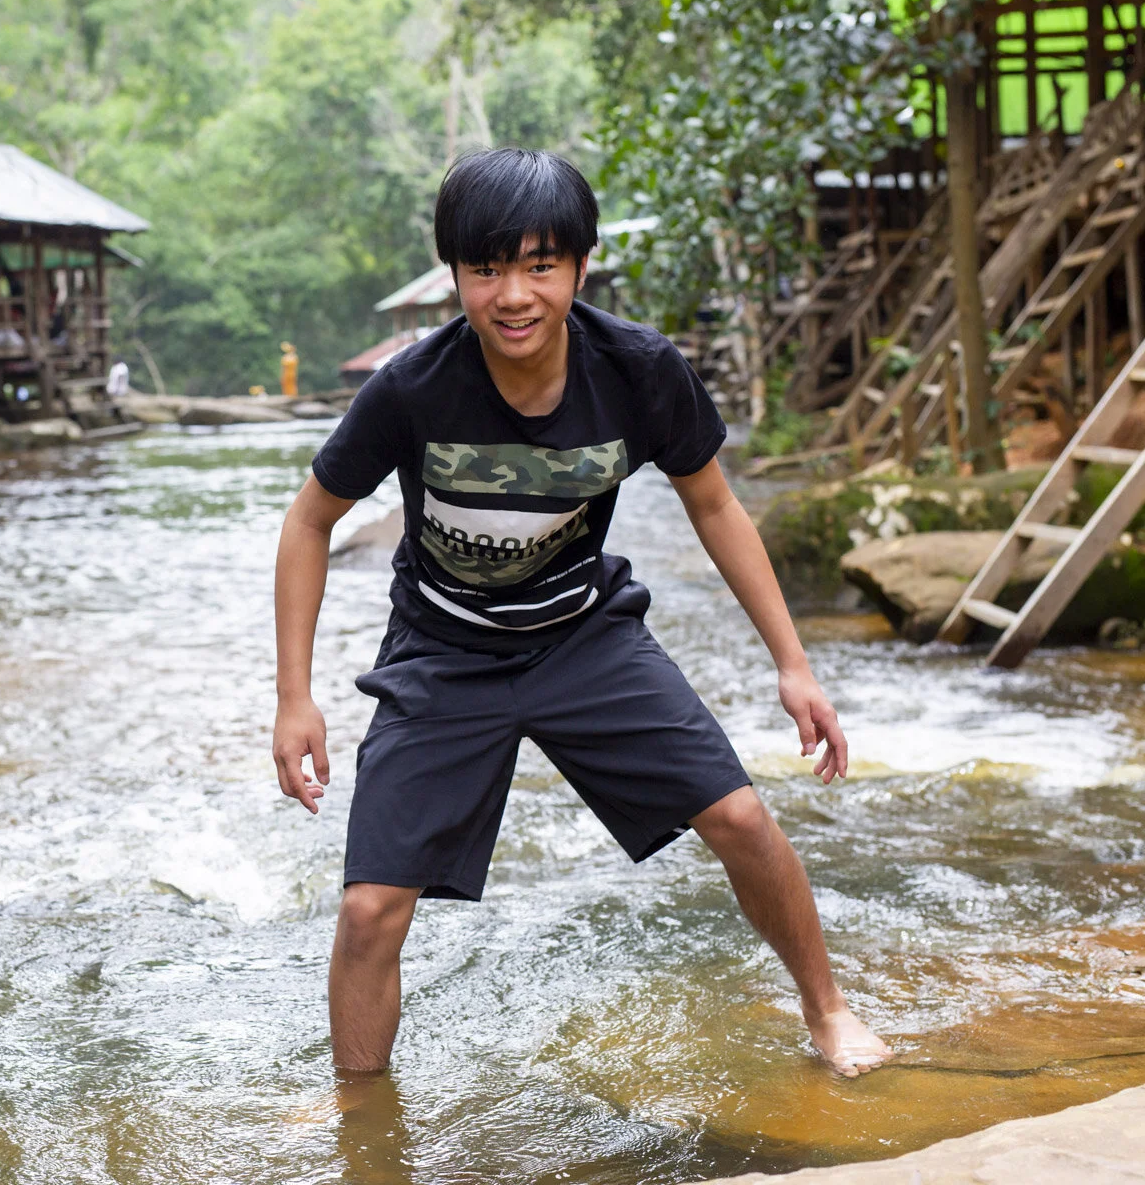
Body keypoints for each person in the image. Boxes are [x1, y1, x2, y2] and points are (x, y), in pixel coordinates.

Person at [270, 147, 891, 1079]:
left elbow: (714, 504)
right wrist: (295, 697)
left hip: (584, 636)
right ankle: (362, 1122)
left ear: (582, 265)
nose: (513, 294)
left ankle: (830, 1011)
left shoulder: (639, 370)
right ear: (455, 276)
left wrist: (793, 664)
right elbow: (310, 522)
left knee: (741, 818)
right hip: (441, 651)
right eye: (485, 269)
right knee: (368, 909)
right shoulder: (412, 389)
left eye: (540, 265)